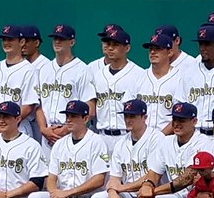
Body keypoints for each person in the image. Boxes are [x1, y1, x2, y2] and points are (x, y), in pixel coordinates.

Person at [34, 25, 96, 152]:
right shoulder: (44, 69)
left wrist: (65, 129)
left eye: (62, 39)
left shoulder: (82, 70)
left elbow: (90, 108)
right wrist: (43, 129)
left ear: (72, 42)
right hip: (47, 135)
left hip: (71, 133)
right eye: (55, 38)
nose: (57, 42)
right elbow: (37, 104)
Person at [89, 25, 148, 156]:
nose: (110, 48)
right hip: (101, 136)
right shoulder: (97, 75)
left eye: (115, 45)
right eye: (108, 44)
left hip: (127, 135)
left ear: (127, 48)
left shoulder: (139, 74)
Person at [0, 26, 38, 140]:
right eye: (4, 39)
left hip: (19, 128)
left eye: (10, 39)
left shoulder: (29, 70)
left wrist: (4, 125)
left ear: (21, 42)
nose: (6, 43)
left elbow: (28, 106)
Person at [138, 30, 196, 133]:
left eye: (158, 49)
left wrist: (160, 136)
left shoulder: (180, 78)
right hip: (141, 138)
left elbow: (180, 115)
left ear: (169, 52)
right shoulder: (139, 77)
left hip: (169, 138)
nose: (152, 52)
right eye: (150, 49)